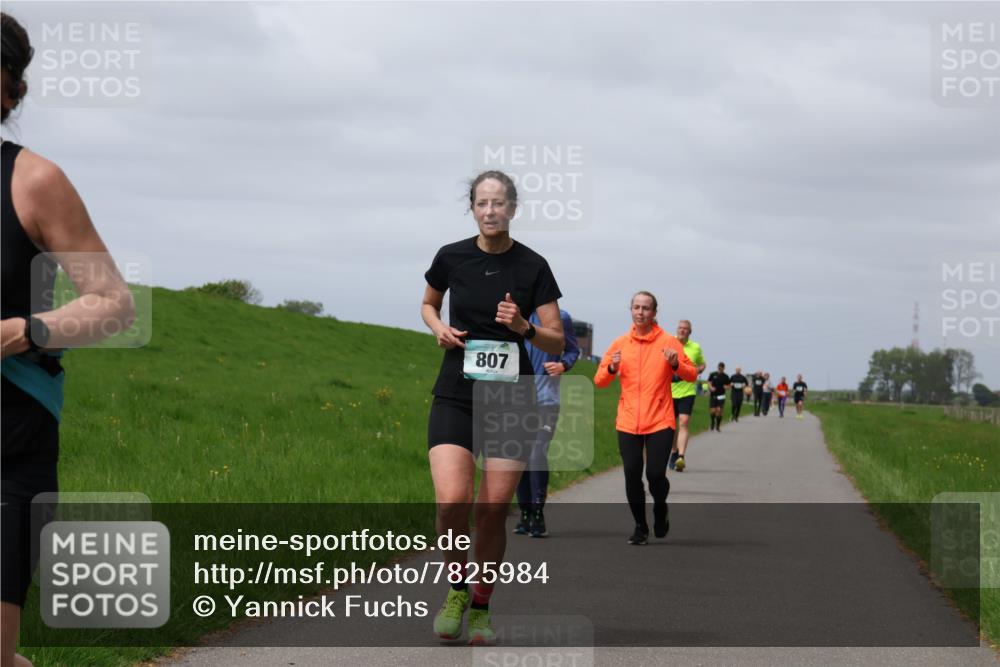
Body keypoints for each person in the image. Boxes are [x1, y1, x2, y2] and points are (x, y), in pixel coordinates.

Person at [1, 13, 136, 667]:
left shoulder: (33, 181)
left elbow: (113, 303)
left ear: (8, 89)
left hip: (10, 438)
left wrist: (31, 330)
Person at [422, 170, 564, 645]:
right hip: (457, 391)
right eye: (482, 203)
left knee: (492, 507)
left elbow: (556, 339)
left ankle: (481, 603)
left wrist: (524, 326)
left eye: (499, 203)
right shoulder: (451, 256)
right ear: (473, 207)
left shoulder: (533, 266)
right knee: (451, 502)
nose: (490, 211)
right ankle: (457, 589)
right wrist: (437, 328)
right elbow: (428, 305)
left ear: (512, 209)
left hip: (510, 395)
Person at [594, 292, 697, 545]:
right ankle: (640, 527)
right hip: (628, 420)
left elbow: (691, 374)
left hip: (660, 419)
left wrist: (675, 365)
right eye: (636, 307)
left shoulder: (669, 342)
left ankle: (660, 507)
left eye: (646, 308)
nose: (640, 312)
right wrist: (611, 368)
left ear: (654, 313)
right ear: (631, 310)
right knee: (631, 473)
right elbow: (599, 380)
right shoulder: (620, 343)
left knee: (654, 475)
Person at [513, 308, 579, 538]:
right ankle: (524, 513)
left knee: (536, 454)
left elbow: (572, 350)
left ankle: (538, 513)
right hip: (516, 401)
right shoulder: (513, 315)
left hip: (546, 401)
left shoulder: (561, 318)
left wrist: (563, 366)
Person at [668, 319, 705, 472]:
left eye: (685, 329)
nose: (682, 330)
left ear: (690, 332)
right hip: (669, 390)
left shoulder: (695, 347)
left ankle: (681, 457)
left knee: (684, 422)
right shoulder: (669, 342)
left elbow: (702, 364)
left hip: (688, 391)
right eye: (680, 328)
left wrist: (697, 370)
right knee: (670, 426)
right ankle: (673, 451)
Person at [707, 362, 731, 431]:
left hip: (721, 395)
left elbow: (729, 385)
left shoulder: (726, 376)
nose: (720, 368)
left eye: (721, 367)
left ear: (724, 368)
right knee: (712, 411)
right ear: (718, 367)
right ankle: (712, 422)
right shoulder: (713, 374)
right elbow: (709, 381)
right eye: (719, 367)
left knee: (719, 411)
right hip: (713, 395)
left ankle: (718, 426)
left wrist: (726, 387)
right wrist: (711, 387)